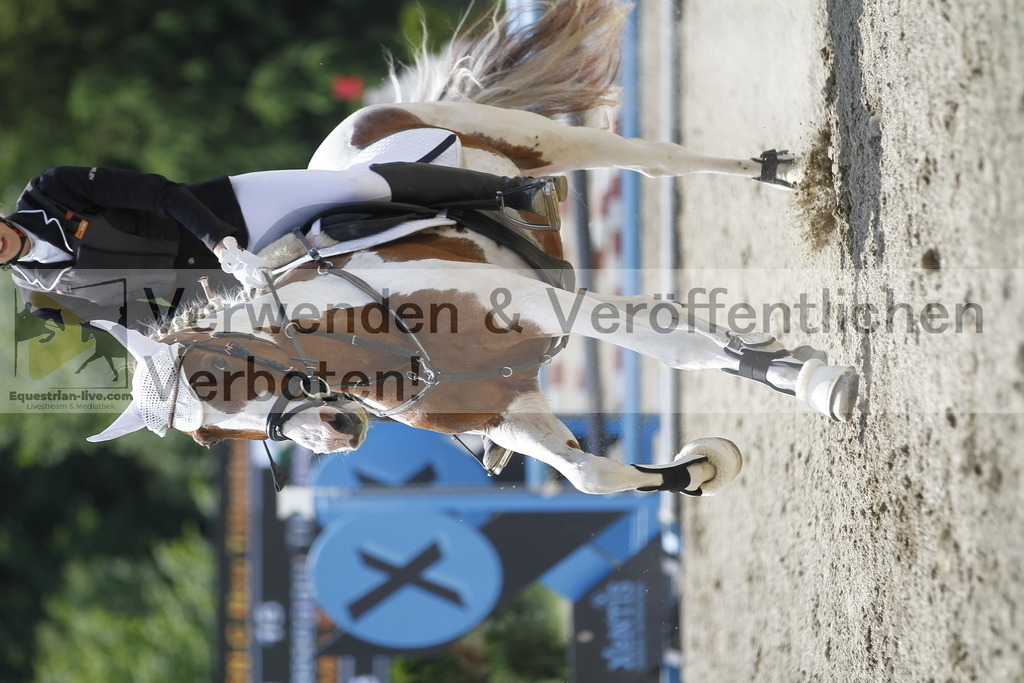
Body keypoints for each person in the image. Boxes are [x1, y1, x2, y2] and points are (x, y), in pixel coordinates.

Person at [1, 162, 566, 329]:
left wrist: (220, 242)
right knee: (336, 351)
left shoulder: (51, 192)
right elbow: (144, 320)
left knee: (351, 184)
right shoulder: (48, 298)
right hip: (226, 288)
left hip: (230, 215)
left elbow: (158, 193)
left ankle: (512, 192)